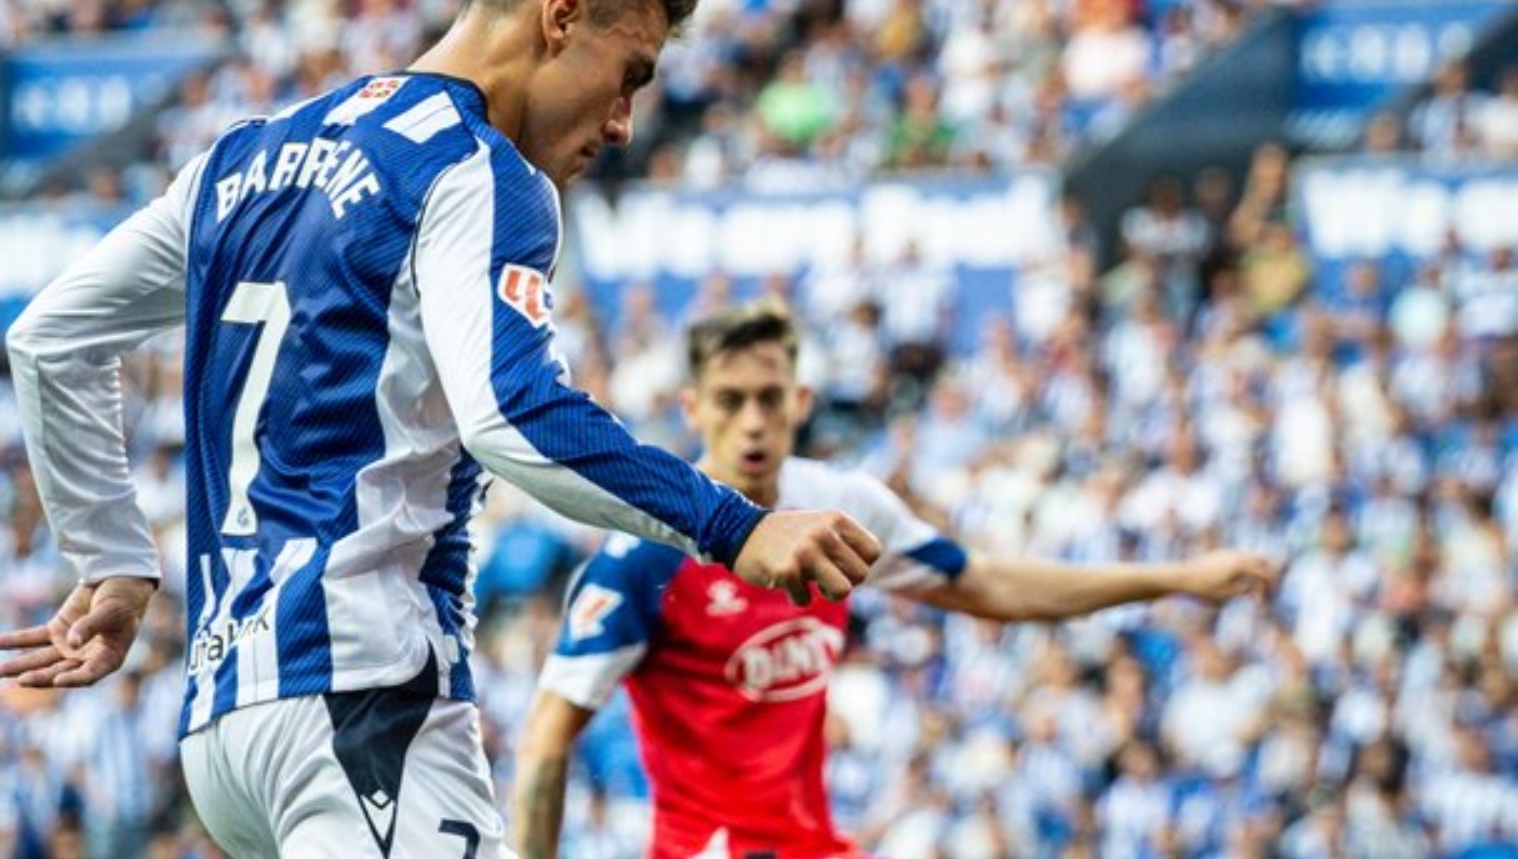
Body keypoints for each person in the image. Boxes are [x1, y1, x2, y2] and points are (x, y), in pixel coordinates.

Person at [0, 0, 882, 859]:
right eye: (630, 76)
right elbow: (513, 413)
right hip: (363, 697)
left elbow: (51, 337)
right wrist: (733, 524)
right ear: (560, 16)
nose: (624, 122)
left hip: (226, 725)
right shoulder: (479, 170)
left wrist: (112, 556)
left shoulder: (239, 160)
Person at [512, 299, 1277, 859]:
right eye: (730, 400)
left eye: (770, 398)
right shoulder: (646, 551)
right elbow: (547, 737)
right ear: (693, 407)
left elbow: (989, 586)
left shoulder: (843, 506)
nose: (752, 421)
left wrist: (1174, 577)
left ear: (801, 402)